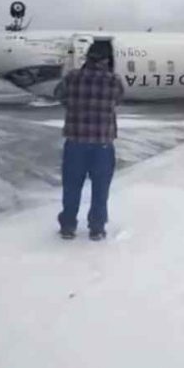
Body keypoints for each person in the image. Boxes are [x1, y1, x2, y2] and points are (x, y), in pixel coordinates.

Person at [56, 41, 124, 241]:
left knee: (71, 186)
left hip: (75, 141)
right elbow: (117, 101)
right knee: (100, 188)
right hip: (102, 143)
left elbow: (59, 95)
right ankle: (97, 228)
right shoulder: (114, 81)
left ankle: (68, 226)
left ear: (87, 56)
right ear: (106, 59)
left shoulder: (72, 77)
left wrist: (74, 105)